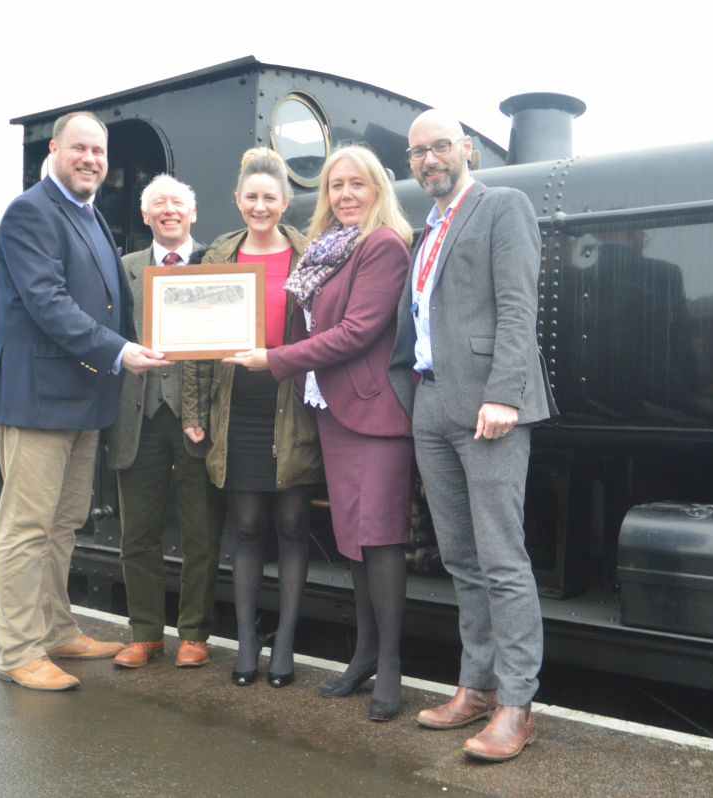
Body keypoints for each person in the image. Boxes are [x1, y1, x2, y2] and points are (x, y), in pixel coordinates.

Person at [226, 144, 415, 721]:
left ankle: (391, 669)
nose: (346, 195)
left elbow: (357, 331)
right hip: (335, 413)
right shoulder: (331, 251)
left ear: (379, 188)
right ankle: (363, 657)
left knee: (380, 541)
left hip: (375, 415)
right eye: (336, 186)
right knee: (355, 542)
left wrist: (275, 359)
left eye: (357, 184)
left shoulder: (382, 245)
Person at [388, 110, 556, 759]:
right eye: (417, 152)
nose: (429, 159)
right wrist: (412, 403)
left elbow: (518, 304)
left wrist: (504, 395)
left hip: (488, 408)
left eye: (439, 147)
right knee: (459, 557)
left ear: (464, 150)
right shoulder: (425, 230)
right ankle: (477, 686)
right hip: (431, 404)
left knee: (502, 559)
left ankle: (517, 705)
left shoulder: (501, 206)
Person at [0, 111, 170, 691]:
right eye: (81, 149)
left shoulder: (90, 218)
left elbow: (112, 302)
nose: (92, 159)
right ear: (55, 149)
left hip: (82, 399)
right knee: (26, 528)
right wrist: (120, 351)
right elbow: (49, 303)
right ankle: (18, 651)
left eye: (100, 151)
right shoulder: (30, 212)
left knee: (63, 523)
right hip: (38, 399)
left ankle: (57, 629)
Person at [181, 149, 324, 690]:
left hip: (293, 404)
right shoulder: (217, 257)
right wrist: (195, 412)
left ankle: (284, 641)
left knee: (291, 526)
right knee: (245, 527)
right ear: (238, 201)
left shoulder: (311, 255)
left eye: (270, 198)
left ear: (285, 203)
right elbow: (193, 346)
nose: (260, 206)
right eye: (251, 197)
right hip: (237, 402)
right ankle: (246, 639)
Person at [107, 175, 225, 670]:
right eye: (159, 204)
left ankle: (195, 633)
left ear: (193, 214)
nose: (169, 210)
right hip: (137, 416)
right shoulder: (123, 268)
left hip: (197, 418)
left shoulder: (216, 265)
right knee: (138, 533)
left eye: (178, 203)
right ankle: (146, 633)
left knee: (201, 531)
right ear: (146, 216)